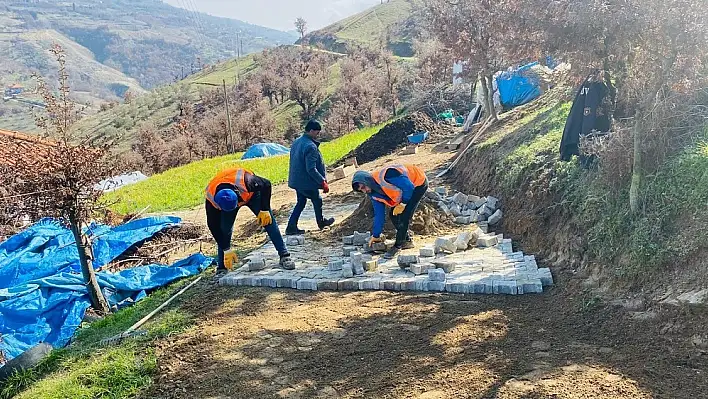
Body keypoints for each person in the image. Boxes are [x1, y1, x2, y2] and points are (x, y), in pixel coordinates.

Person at [205, 167, 295, 274]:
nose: (238, 206)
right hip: (228, 204)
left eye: (237, 204)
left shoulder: (247, 181)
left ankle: (284, 255)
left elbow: (266, 184)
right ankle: (222, 267)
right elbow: (213, 226)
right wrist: (226, 249)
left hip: (252, 195)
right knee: (224, 230)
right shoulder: (211, 199)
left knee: (268, 221)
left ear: (237, 193)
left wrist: (264, 209)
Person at [351, 164, 429, 259]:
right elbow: (379, 215)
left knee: (404, 216)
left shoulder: (388, 175)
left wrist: (403, 204)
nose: (365, 191)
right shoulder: (373, 194)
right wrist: (376, 235)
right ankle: (406, 240)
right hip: (406, 190)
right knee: (393, 215)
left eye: (363, 187)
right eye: (361, 190)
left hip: (418, 183)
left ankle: (398, 246)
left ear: (367, 180)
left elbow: (409, 187)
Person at [285, 119, 335, 235]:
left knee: (301, 202)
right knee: (317, 200)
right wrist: (322, 182)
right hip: (306, 182)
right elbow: (311, 169)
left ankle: (291, 226)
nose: (318, 135)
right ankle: (321, 223)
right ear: (311, 131)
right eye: (317, 133)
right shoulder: (310, 146)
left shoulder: (297, 142)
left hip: (297, 180)